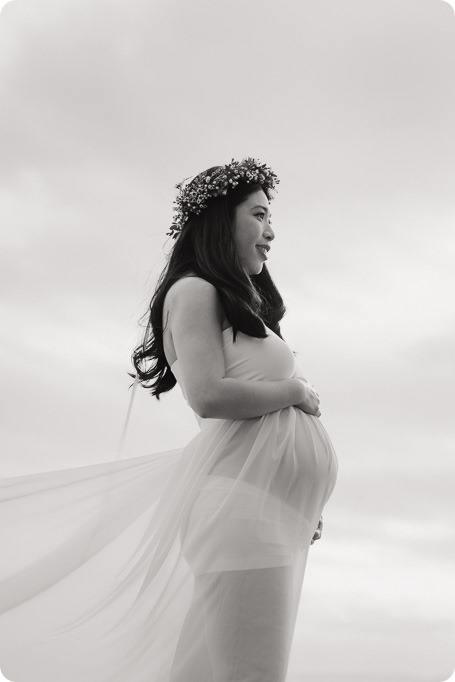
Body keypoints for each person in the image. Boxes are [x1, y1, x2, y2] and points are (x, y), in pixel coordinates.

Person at [0, 157, 338, 682]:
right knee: (251, 674)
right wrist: (295, 390)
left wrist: (300, 496)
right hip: (242, 511)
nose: (271, 232)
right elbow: (207, 396)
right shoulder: (194, 291)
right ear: (222, 219)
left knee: (211, 671)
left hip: (265, 512)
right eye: (259, 215)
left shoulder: (232, 300)